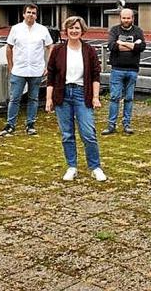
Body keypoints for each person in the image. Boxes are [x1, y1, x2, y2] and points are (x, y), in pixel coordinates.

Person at [45, 16, 107, 182]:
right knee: (67, 134)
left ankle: (95, 167)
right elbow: (50, 75)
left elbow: (95, 75)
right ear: (66, 30)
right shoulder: (58, 50)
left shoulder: (89, 50)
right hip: (62, 94)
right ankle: (72, 166)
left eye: (77, 28)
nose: (74, 31)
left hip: (82, 94)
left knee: (88, 132)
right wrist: (49, 99)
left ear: (82, 31)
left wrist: (95, 97)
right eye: (71, 28)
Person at [0, 4, 53, 137]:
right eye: (28, 12)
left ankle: (30, 125)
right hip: (19, 70)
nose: (31, 15)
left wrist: (48, 65)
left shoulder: (42, 30)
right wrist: (10, 65)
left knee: (33, 99)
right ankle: (10, 125)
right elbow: (9, 47)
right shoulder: (16, 29)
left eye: (33, 13)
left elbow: (50, 47)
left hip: (36, 70)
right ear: (23, 14)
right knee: (14, 98)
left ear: (36, 15)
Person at [103, 8, 146, 135]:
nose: (126, 20)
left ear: (133, 18)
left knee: (129, 98)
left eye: (128, 18)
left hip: (132, 70)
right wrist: (132, 46)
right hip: (117, 69)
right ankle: (111, 125)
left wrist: (121, 43)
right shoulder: (114, 30)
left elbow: (142, 47)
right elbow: (111, 46)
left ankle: (127, 124)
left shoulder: (138, 31)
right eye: (124, 18)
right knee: (114, 98)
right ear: (120, 18)